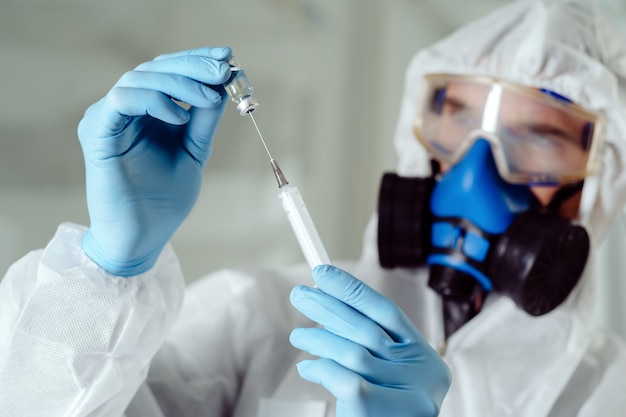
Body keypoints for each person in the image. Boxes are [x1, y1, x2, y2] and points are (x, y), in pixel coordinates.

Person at [1, 0, 625, 416]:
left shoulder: (607, 393)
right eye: (456, 121)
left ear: (598, 181)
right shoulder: (262, 316)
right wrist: (110, 269)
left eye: (539, 138)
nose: (475, 171)